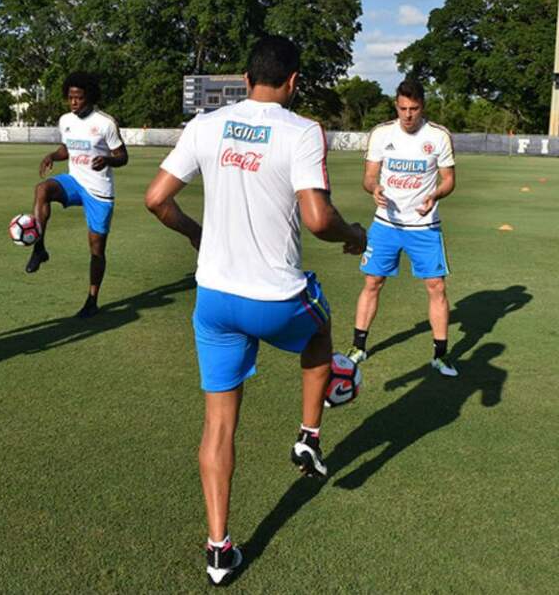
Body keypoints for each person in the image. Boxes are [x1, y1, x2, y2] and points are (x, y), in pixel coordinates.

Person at [145, 35, 365, 586]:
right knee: (322, 327)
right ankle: (308, 435)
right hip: (276, 299)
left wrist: (196, 234)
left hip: (215, 301)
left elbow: (155, 199)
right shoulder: (302, 130)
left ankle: (219, 550)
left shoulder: (205, 124)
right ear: (293, 82)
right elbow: (318, 219)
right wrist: (354, 235)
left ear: (245, 80)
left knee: (218, 425)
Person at [346, 80, 458, 377]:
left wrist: (435, 194)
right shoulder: (382, 133)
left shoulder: (438, 136)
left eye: (414, 109)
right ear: (396, 106)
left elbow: (449, 180)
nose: (408, 115)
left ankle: (440, 356)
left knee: (436, 286)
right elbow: (369, 177)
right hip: (386, 224)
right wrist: (374, 188)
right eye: (403, 108)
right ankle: (358, 347)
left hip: (424, 226)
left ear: (423, 106)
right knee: (373, 282)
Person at [25, 72, 128, 318]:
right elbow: (67, 148)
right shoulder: (65, 120)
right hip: (75, 181)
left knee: (96, 249)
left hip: (99, 191)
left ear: (89, 97)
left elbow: (123, 156)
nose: (73, 102)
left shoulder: (105, 123)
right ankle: (39, 248)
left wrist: (108, 160)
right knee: (42, 189)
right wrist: (52, 155)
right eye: (70, 97)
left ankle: (92, 299)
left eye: (79, 97)